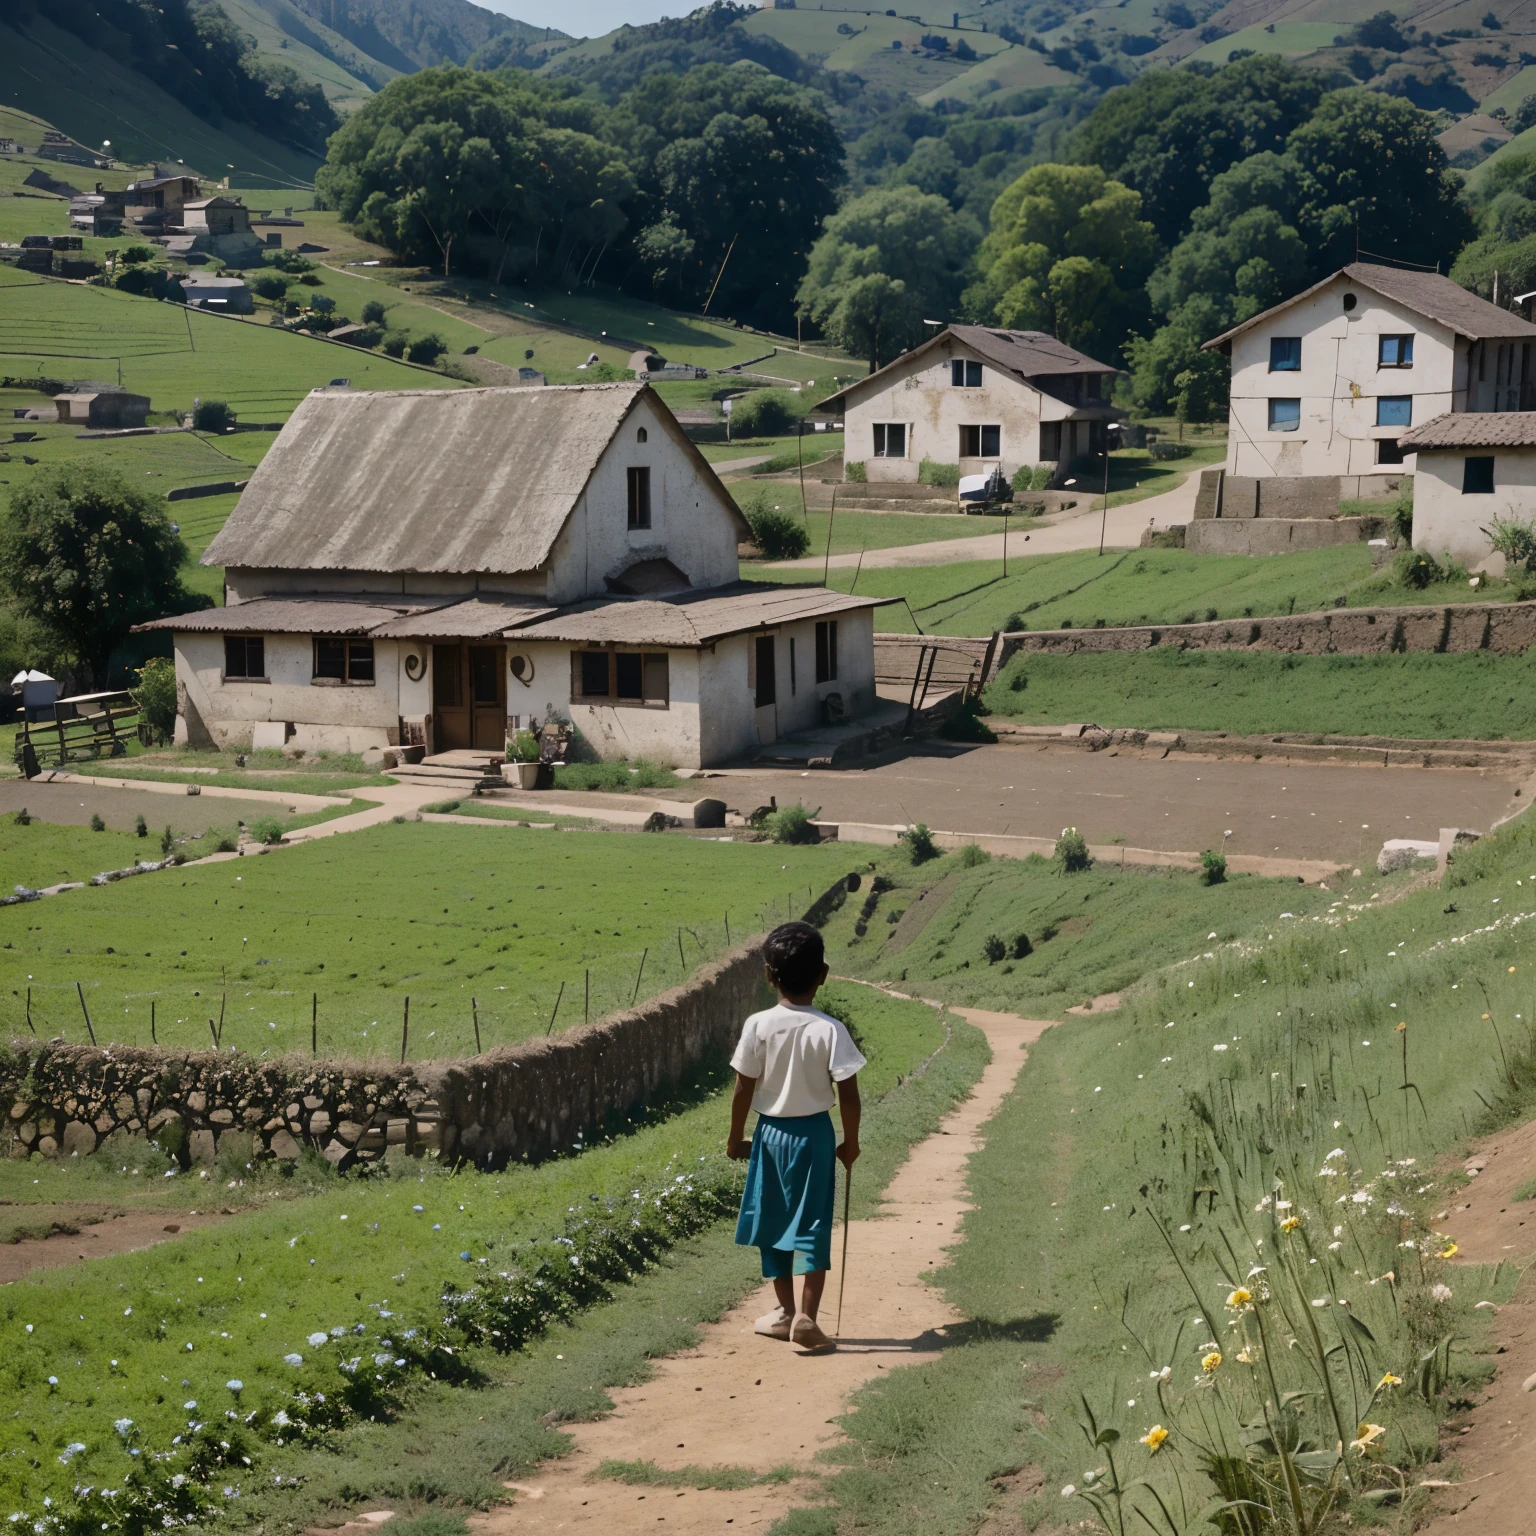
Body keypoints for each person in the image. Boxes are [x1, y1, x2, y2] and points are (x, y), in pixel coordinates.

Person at [727, 920, 864, 1354]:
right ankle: (806, 1318)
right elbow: (849, 1096)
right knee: (812, 1223)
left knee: (773, 1222)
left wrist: (736, 1139)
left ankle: (784, 1310)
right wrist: (851, 1142)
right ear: (823, 974)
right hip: (815, 1137)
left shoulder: (758, 1025)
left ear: (768, 974)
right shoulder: (830, 1029)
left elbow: (743, 1089)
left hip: (769, 1136)